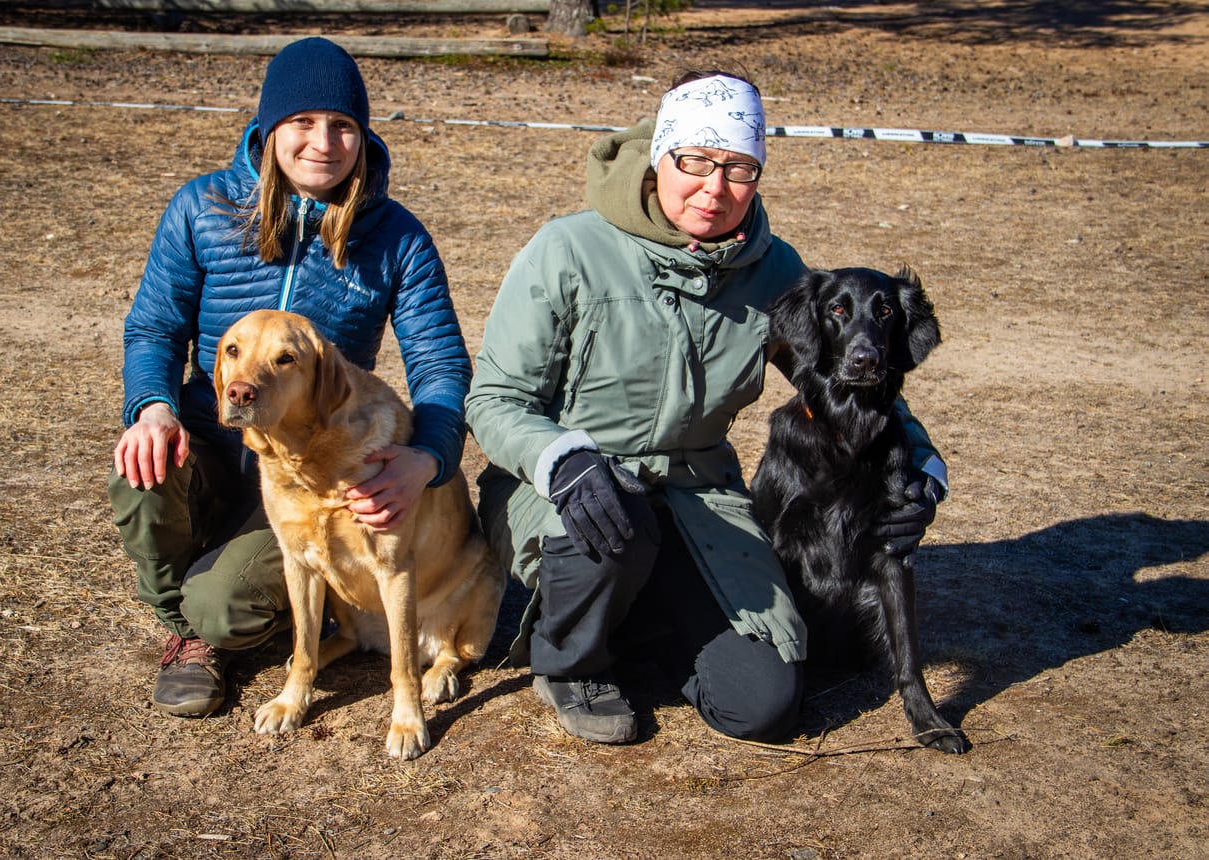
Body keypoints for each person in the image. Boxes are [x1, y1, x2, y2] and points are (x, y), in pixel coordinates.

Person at [465, 70, 946, 744]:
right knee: (614, 517)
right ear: (661, 155)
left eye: (739, 168)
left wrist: (924, 467)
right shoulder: (567, 250)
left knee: (762, 703)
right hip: (562, 485)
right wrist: (561, 459)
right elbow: (495, 400)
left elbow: (843, 384)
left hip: (696, 495)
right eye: (695, 161)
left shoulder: (774, 271)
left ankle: (648, 624)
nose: (715, 188)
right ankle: (572, 663)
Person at [108, 37, 473, 718]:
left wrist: (428, 457)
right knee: (140, 473)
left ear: (364, 137)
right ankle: (187, 633)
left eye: (342, 125)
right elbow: (154, 327)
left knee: (225, 603)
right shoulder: (202, 207)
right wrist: (153, 407)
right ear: (268, 128)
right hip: (215, 436)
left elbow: (440, 363)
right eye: (302, 121)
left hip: (314, 461)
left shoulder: (397, 237)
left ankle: (225, 611)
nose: (322, 143)